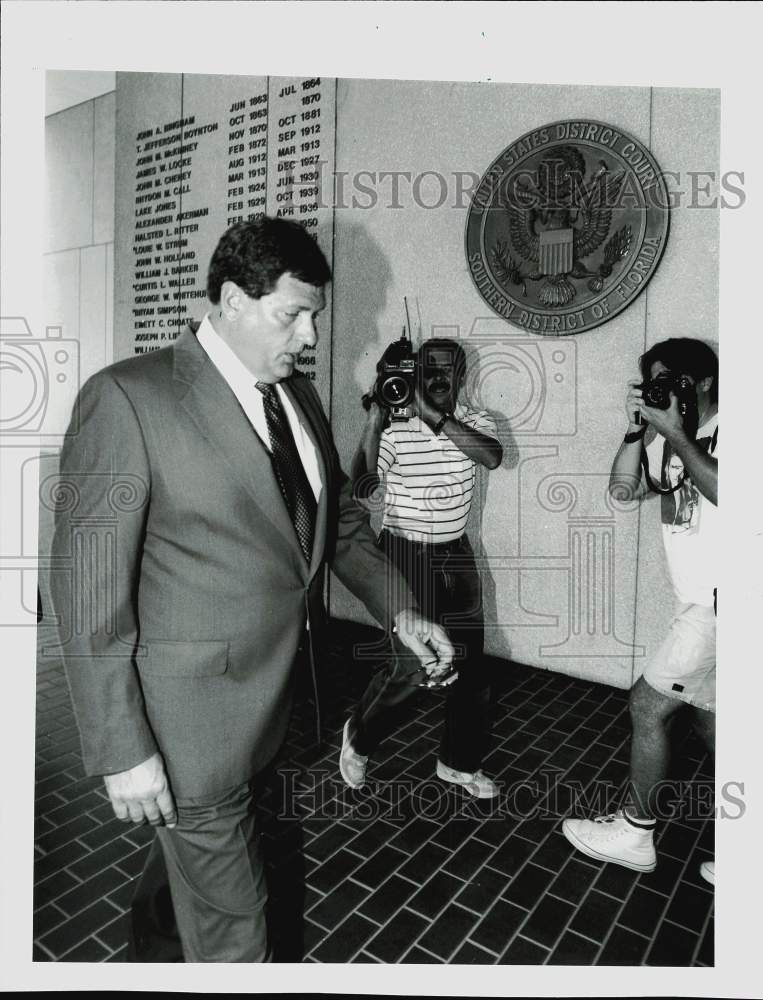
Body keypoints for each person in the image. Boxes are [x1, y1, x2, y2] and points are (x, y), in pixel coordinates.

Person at [49, 218, 453, 963]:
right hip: (189, 731)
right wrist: (121, 748)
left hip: (276, 714)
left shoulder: (296, 400)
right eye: (290, 315)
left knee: (199, 888)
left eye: (316, 317)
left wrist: (401, 611)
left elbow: (341, 531)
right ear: (233, 299)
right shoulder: (129, 399)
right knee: (241, 934)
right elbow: (86, 591)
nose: (309, 335)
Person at [562, 337, 718, 885]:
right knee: (711, 718)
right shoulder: (667, 440)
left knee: (648, 708)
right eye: (654, 382)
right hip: (700, 601)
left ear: (701, 383)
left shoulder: (742, 427)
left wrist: (676, 431)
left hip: (724, 602)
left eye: (670, 380)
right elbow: (622, 490)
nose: (661, 391)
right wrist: (638, 429)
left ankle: (634, 834)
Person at [340, 337, 504, 799]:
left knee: (470, 669)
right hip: (404, 553)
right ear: (413, 373)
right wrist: (375, 418)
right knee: (414, 665)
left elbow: (491, 455)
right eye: (426, 367)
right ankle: (360, 737)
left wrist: (434, 416)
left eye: (444, 368)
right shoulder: (395, 429)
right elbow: (363, 489)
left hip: (456, 552)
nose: (435, 376)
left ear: (460, 374)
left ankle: (459, 764)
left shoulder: (474, 420)